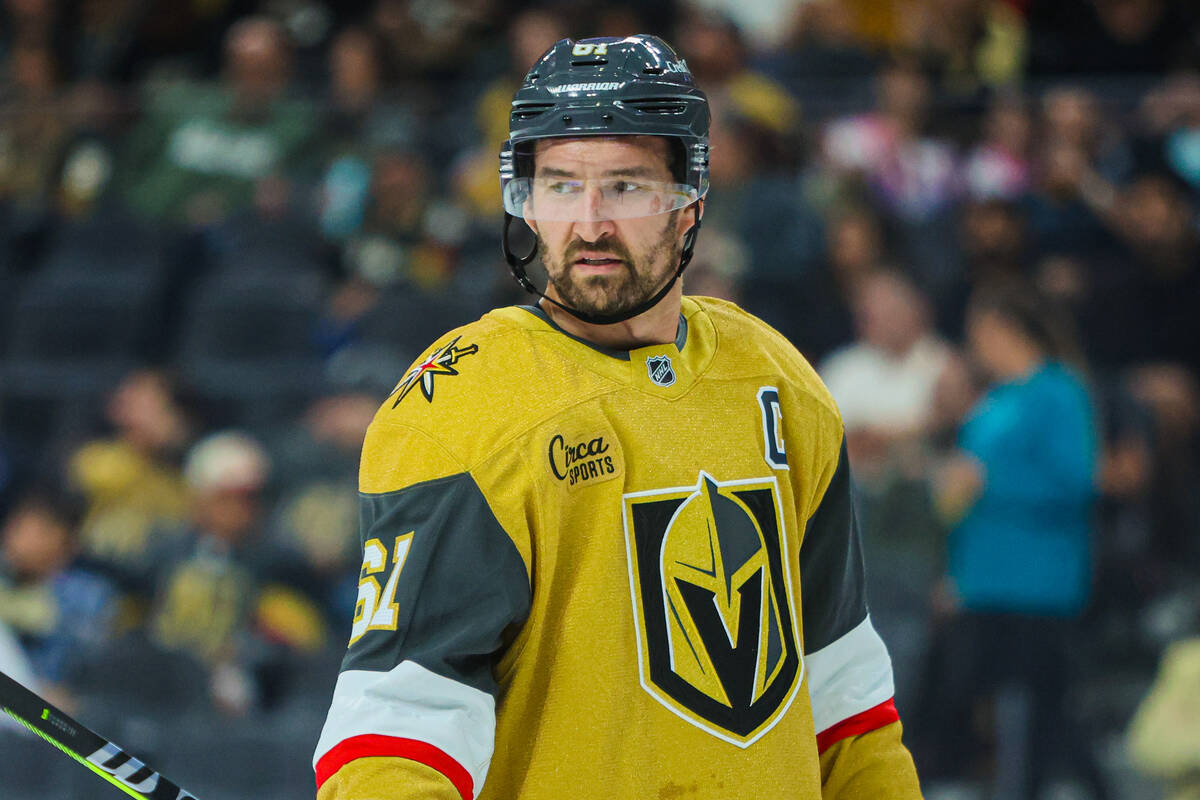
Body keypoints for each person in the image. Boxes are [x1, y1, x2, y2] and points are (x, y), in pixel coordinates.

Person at [313, 35, 921, 799]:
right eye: (563, 186)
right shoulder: (464, 407)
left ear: (689, 201)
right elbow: (397, 728)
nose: (591, 224)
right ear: (526, 202)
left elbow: (846, 704)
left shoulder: (775, 379)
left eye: (627, 188)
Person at [922, 283, 1108, 799]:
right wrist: (953, 573)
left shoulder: (1059, 390)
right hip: (982, 579)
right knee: (1001, 705)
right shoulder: (997, 397)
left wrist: (988, 483)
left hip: (1037, 581)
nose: (974, 344)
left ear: (1008, 331)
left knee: (1036, 709)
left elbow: (1077, 482)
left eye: (980, 332)